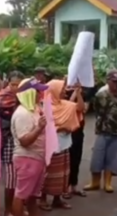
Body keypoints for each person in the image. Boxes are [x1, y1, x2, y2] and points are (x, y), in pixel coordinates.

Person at [39, 79, 83, 211]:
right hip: (51, 146)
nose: (64, 91)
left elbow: (80, 108)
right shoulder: (44, 107)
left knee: (62, 173)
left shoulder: (65, 104)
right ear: (54, 91)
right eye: (61, 89)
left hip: (64, 145)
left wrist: (78, 93)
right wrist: (61, 128)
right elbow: (44, 127)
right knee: (48, 174)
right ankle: (42, 199)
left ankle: (57, 199)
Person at [84, 70, 117, 193]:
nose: (116, 84)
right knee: (97, 156)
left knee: (112, 157)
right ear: (108, 81)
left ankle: (108, 183)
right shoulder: (100, 95)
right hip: (102, 130)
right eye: (114, 81)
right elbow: (97, 111)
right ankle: (95, 182)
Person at [0, 71, 24, 216]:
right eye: (12, 84)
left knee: (19, 178)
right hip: (8, 140)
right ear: (8, 83)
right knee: (10, 178)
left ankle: (18, 207)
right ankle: (8, 209)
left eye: (18, 85)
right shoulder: (1, 98)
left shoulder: (24, 97)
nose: (15, 87)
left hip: (19, 140)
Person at [10, 78, 48, 216]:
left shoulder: (34, 109)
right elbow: (24, 141)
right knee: (21, 194)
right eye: (38, 91)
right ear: (30, 93)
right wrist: (39, 128)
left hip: (36, 158)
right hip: (27, 158)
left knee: (32, 195)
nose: (40, 94)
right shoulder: (22, 113)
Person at [64, 85, 92, 199]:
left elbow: (83, 108)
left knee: (76, 160)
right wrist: (75, 92)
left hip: (78, 132)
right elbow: (69, 107)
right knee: (67, 161)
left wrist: (79, 93)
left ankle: (74, 186)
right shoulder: (65, 95)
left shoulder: (84, 94)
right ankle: (65, 187)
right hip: (67, 133)